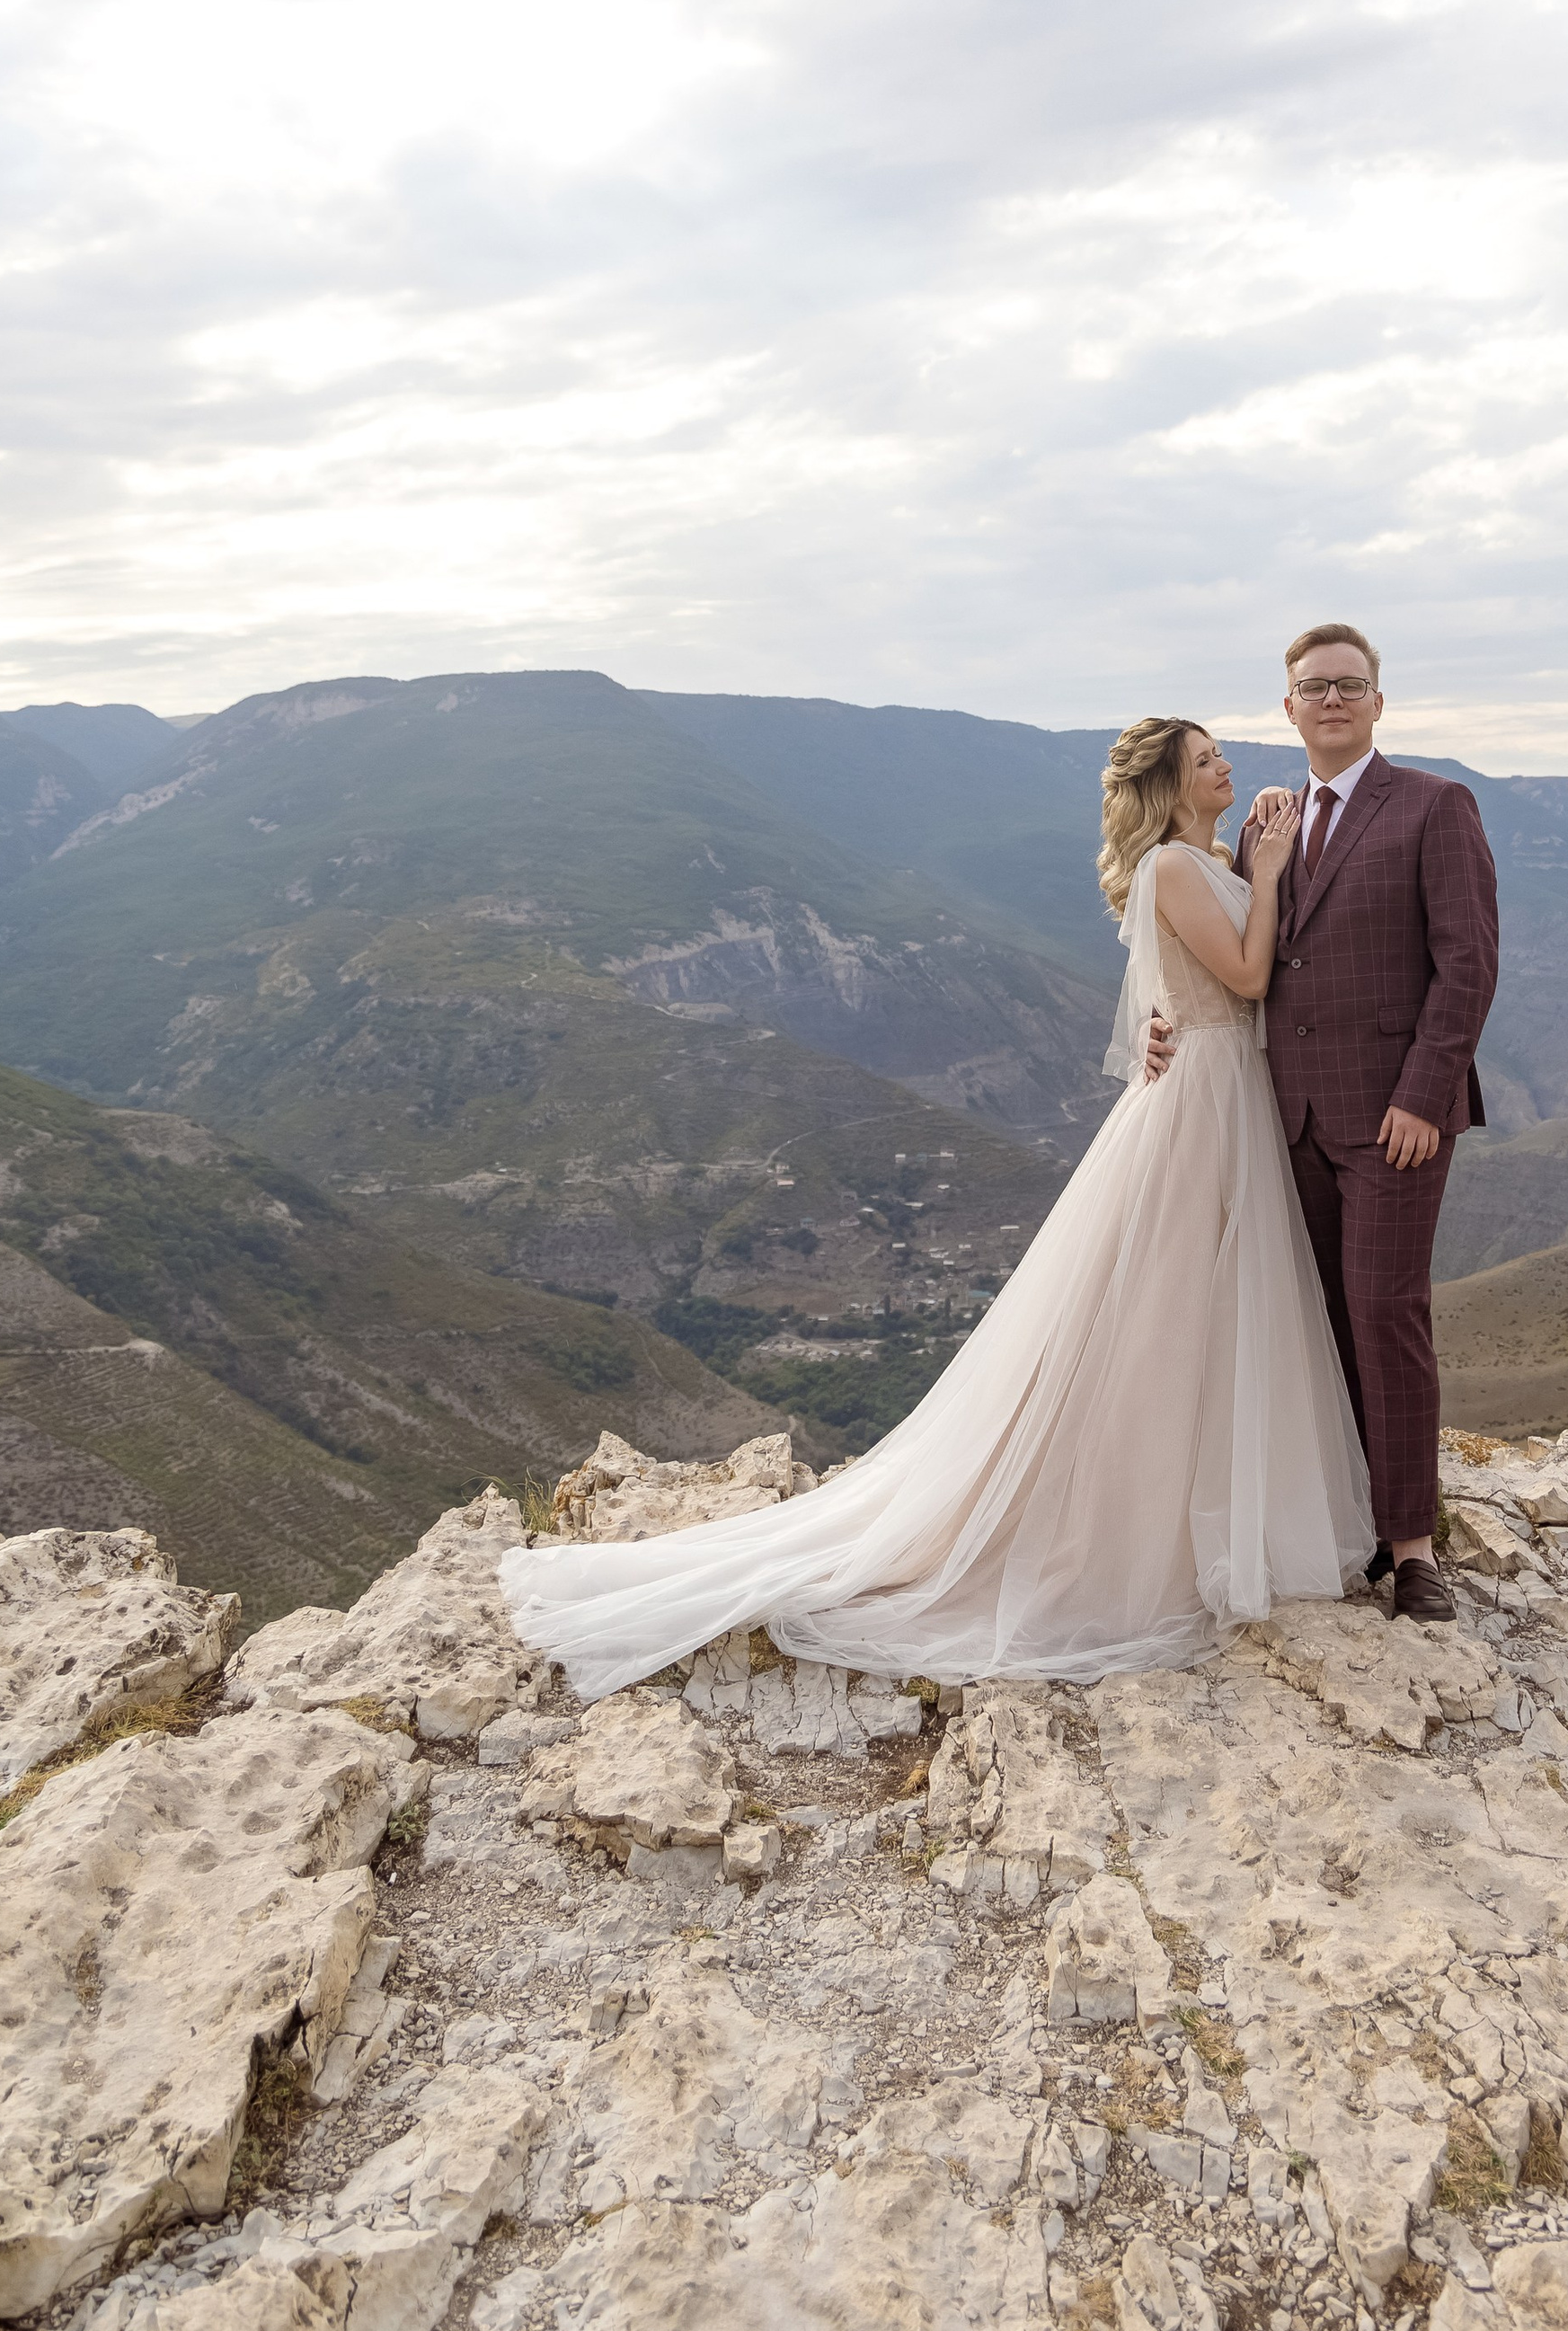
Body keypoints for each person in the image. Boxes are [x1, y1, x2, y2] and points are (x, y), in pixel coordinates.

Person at [497, 717, 1376, 1697]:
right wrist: (1271, 857)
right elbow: (1249, 976)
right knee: (1167, 1316)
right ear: (1170, 789)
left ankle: (1216, 1512)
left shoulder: (1208, 858)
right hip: (1205, 1105)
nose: (1226, 765)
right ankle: (1137, 1534)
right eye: (1207, 759)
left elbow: (1223, 975)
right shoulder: (1177, 866)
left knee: (1212, 1317)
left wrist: (1257, 861)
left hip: (1228, 1093)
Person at [1149, 622, 1498, 1624]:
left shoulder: (1435, 806)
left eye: (1350, 685)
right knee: (1318, 1322)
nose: (1332, 699)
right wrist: (1162, 1025)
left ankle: (1413, 1546)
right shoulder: (1272, 823)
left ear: (1377, 704)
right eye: (1314, 687)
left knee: (1386, 1314)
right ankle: (1348, 1520)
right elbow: (1219, 947)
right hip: (1282, 1115)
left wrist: (1425, 1097)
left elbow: (1467, 965)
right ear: (1290, 708)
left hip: (1394, 1118)